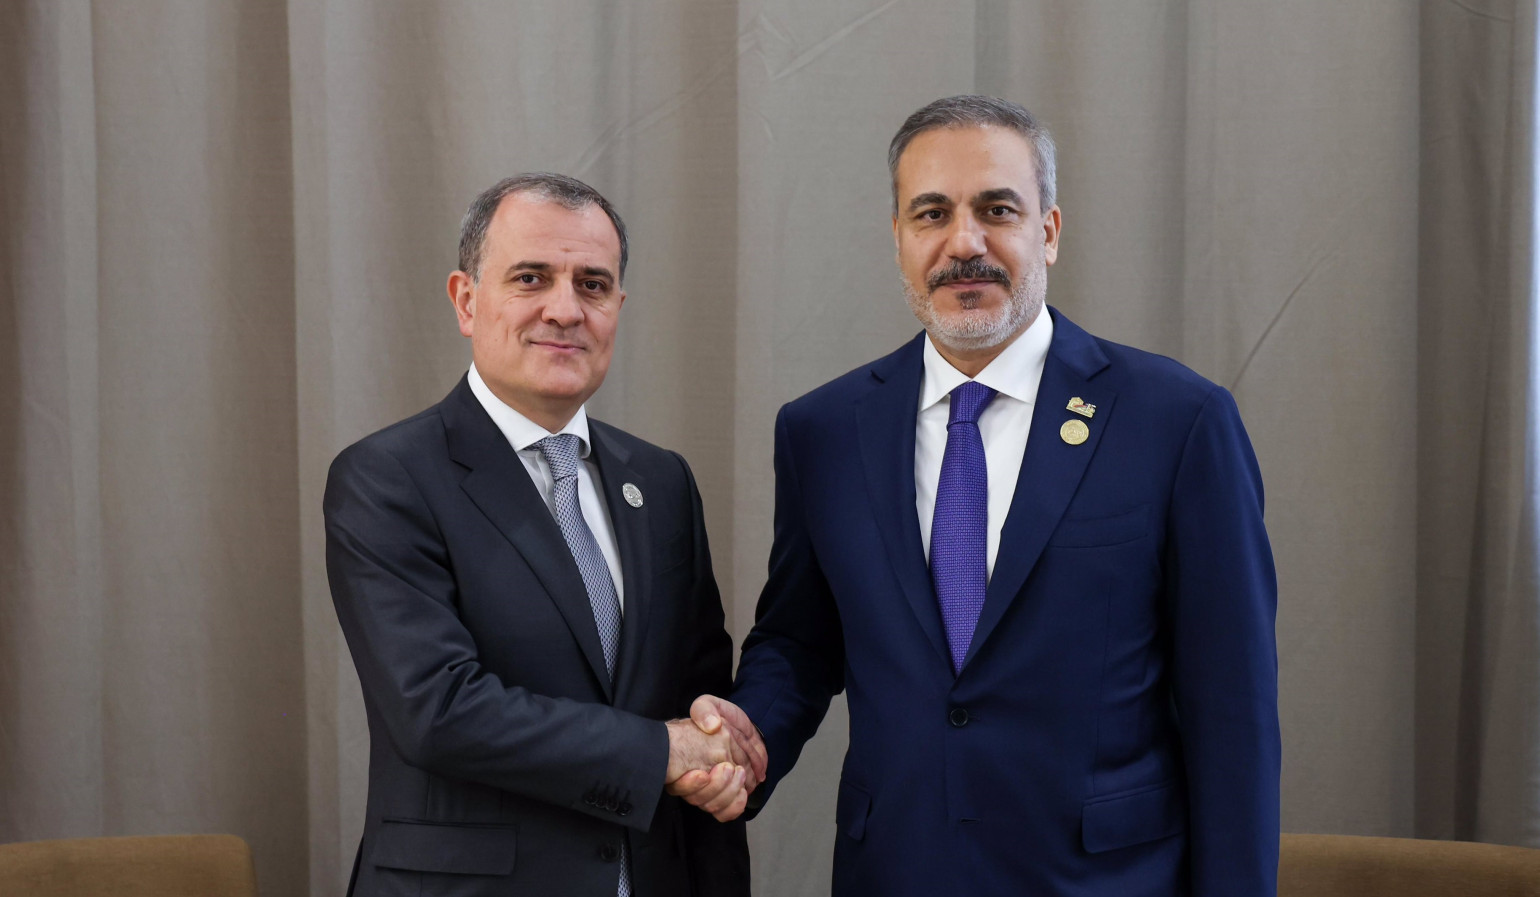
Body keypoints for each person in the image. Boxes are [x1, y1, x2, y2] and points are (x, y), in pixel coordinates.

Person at [707, 96, 1281, 895]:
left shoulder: (1177, 421)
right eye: (931, 214)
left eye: (997, 210)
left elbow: (1233, 714)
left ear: (1048, 230)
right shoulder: (823, 432)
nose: (964, 243)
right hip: (896, 873)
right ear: (899, 238)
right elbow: (800, 643)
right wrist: (742, 744)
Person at [324, 172, 765, 897]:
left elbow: (699, 697)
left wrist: (715, 755)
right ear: (467, 301)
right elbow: (438, 710)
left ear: (617, 308)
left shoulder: (661, 482)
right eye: (531, 278)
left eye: (593, 285)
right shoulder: (387, 478)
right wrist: (663, 751)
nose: (564, 309)